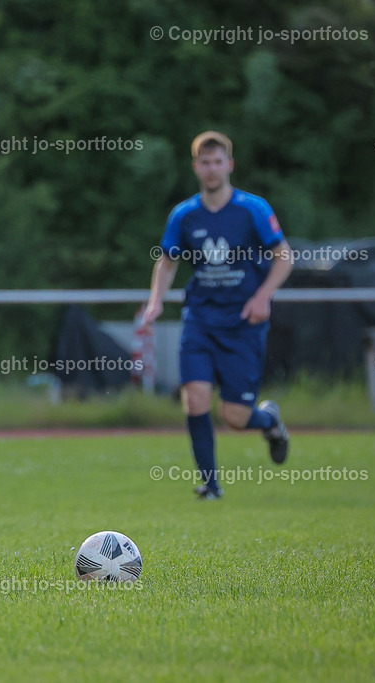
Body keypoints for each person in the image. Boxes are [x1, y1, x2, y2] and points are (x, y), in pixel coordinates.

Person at [143, 131, 292, 499]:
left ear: (230, 164)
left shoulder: (252, 209)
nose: (211, 169)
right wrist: (155, 301)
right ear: (196, 167)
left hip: (243, 323)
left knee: (235, 418)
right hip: (200, 320)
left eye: (217, 161)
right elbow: (166, 262)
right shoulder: (184, 215)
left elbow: (284, 257)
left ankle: (269, 420)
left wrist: (263, 296)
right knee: (194, 399)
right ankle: (211, 485)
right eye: (204, 162)